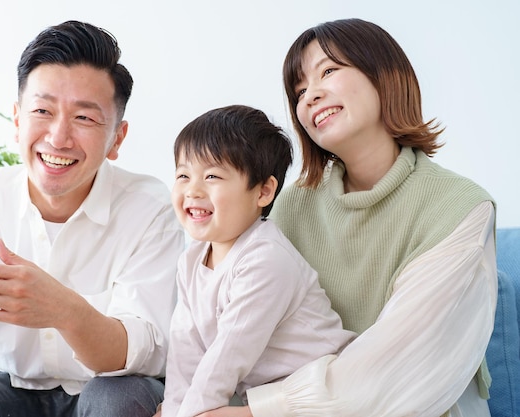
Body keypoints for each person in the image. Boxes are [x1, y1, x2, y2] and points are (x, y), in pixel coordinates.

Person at [195, 18, 497, 417]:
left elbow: (395, 373)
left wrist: (251, 413)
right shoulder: (289, 207)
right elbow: (236, 328)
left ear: (386, 76)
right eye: (299, 91)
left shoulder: (460, 208)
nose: (310, 97)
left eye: (329, 71)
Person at [0, 20, 184, 417]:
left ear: (117, 138)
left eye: (84, 118)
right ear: (17, 120)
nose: (59, 137)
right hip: (8, 387)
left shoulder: (150, 208)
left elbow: (145, 353)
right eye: (43, 111)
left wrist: (63, 309)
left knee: (120, 399)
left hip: (107, 387)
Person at [157, 105, 355, 417]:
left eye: (212, 176)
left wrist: (189, 415)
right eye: (183, 175)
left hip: (317, 394)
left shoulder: (266, 259)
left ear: (263, 191)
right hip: (263, 399)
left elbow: (228, 355)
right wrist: (172, 410)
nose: (193, 189)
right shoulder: (191, 259)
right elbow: (186, 352)